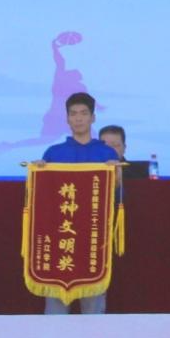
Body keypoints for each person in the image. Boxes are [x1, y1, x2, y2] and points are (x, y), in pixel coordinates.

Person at [33, 92, 121, 314]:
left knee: (93, 312)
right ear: (67, 119)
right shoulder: (54, 153)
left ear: (93, 118)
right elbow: (41, 198)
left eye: (83, 113)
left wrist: (116, 174)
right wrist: (38, 173)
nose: (78, 118)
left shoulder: (106, 153)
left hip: (93, 238)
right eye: (73, 114)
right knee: (55, 312)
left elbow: (117, 195)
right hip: (59, 238)